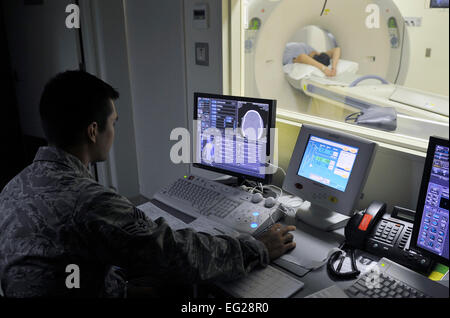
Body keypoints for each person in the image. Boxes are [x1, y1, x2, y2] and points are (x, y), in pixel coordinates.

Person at [0, 71, 296, 298]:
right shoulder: (88, 200)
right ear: (93, 131)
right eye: (113, 122)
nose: (114, 131)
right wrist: (257, 248)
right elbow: (176, 253)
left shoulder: (13, 187)